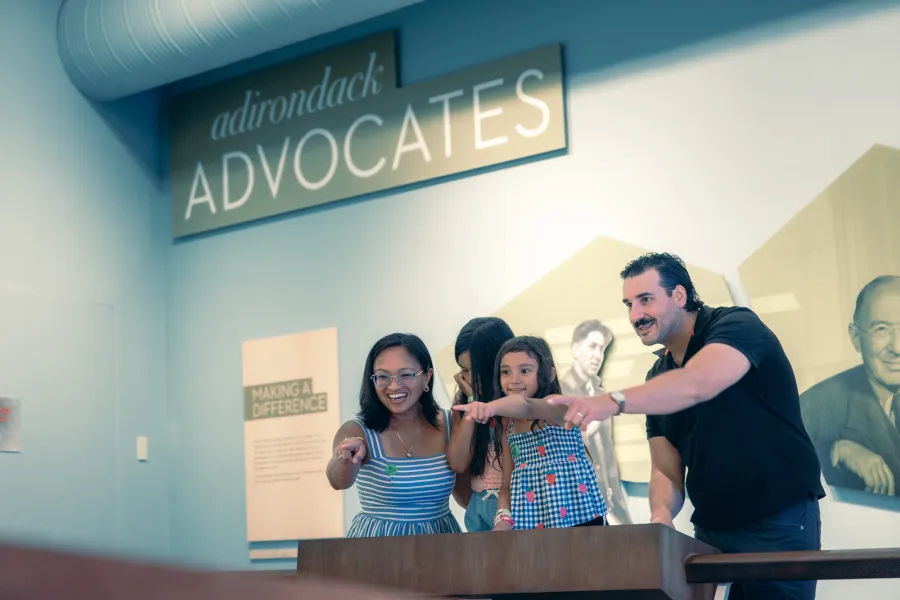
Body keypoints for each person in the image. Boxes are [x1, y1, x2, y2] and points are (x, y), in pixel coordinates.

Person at [548, 253, 825, 600]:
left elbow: (698, 383)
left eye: (645, 300)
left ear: (679, 296)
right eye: (628, 304)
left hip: (776, 519)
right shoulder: (657, 376)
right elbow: (666, 467)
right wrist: (661, 514)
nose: (636, 315)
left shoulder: (736, 325)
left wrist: (610, 401)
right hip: (711, 528)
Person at [454, 336, 608, 530]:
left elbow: (525, 406)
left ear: (549, 374)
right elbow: (506, 487)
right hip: (535, 528)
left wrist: (487, 407)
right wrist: (502, 521)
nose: (514, 380)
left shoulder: (555, 405)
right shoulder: (508, 425)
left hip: (582, 521)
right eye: (505, 372)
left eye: (525, 371)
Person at [326, 333, 462, 537]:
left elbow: (467, 497)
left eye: (405, 374)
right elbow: (338, 482)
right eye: (382, 376)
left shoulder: (452, 423)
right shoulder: (357, 430)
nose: (394, 386)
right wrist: (346, 456)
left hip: (441, 542)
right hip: (379, 549)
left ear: (427, 376)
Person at [800, 275, 900, 496]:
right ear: (855, 337)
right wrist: (836, 452)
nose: (897, 346)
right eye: (881, 329)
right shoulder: (815, 405)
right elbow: (775, 464)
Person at [559, 319, 632, 525]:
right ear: (576, 348)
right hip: (579, 505)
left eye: (602, 349)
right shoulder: (561, 393)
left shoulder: (601, 395)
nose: (597, 355)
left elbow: (609, 461)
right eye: (592, 346)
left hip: (608, 501)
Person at [446, 317, 516, 532]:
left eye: (471, 370)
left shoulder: (520, 404)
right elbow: (457, 463)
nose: (463, 377)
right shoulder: (463, 404)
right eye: (462, 369)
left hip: (518, 506)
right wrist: (472, 403)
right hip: (479, 508)